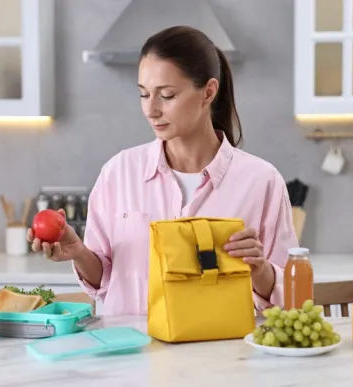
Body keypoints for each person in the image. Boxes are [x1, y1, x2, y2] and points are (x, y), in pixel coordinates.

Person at [27, 25, 299, 316]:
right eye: (144, 94)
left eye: (166, 96)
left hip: (221, 356)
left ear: (208, 92)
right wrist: (80, 253)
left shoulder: (261, 181)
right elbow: (105, 282)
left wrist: (260, 269)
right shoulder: (118, 173)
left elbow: (292, 296)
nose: (150, 110)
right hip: (130, 354)